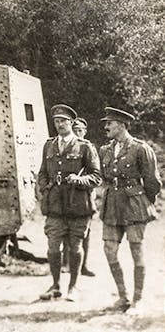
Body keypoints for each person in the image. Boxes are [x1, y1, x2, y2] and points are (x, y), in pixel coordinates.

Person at [98, 107, 161, 314]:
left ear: (122, 125)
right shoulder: (105, 150)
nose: (106, 127)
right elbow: (106, 178)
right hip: (112, 205)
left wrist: (144, 202)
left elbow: (152, 182)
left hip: (134, 205)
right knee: (109, 250)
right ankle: (123, 296)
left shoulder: (140, 149)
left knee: (136, 250)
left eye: (110, 123)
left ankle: (138, 299)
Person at [36, 104, 101, 301]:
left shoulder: (85, 147)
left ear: (71, 123)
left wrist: (79, 180)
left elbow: (97, 177)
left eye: (63, 121)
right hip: (55, 206)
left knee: (75, 247)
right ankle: (55, 285)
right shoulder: (49, 145)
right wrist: (45, 187)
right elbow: (42, 173)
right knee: (53, 247)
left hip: (78, 205)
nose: (59, 124)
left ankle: (73, 287)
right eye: (56, 121)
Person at [69, 117, 95, 277]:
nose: (78, 133)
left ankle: (84, 265)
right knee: (66, 229)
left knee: (86, 233)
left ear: (85, 132)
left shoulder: (89, 148)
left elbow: (97, 174)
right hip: (68, 196)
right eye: (75, 130)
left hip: (85, 195)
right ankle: (67, 264)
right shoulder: (66, 148)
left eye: (80, 130)